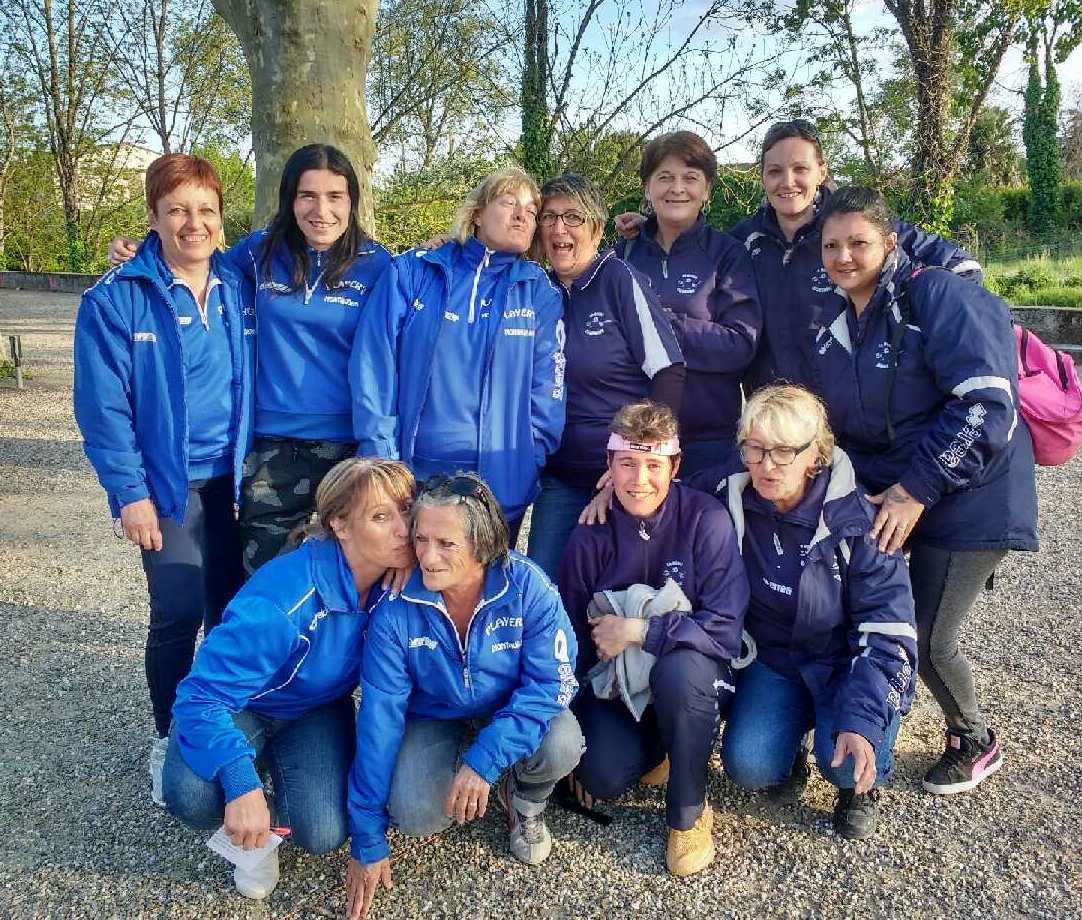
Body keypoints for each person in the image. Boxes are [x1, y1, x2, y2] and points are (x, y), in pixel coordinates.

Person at [813, 186, 1038, 795]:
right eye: (831, 245)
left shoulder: (938, 295)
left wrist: (916, 489)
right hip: (901, 488)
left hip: (974, 493)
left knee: (930, 635)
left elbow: (988, 407)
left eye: (858, 242)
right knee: (876, 609)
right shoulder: (839, 318)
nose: (843, 256)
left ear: (890, 243)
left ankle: (973, 736)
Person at [111, 143, 393, 574]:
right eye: (307, 196)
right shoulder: (259, 252)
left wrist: (448, 242)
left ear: (352, 201)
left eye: (335, 197)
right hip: (271, 448)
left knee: (348, 580)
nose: (322, 210)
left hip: (349, 446)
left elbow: (391, 353)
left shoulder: (378, 265)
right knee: (265, 582)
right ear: (289, 199)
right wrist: (140, 253)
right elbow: (193, 256)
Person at [75, 153, 251, 808]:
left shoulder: (238, 285)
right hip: (169, 492)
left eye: (205, 209)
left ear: (221, 220)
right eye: (177, 209)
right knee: (178, 612)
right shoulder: (116, 298)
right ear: (153, 217)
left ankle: (225, 725)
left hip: (235, 485)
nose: (193, 223)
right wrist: (131, 495)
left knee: (232, 616)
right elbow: (103, 409)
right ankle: (167, 733)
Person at [163, 458, 415, 900]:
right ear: (340, 524)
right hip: (241, 703)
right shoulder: (283, 600)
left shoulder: (395, 583)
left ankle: (270, 799)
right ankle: (249, 821)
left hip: (315, 707)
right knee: (192, 795)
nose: (402, 529)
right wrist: (241, 786)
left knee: (322, 832)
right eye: (381, 517)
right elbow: (198, 695)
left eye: (406, 511)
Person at [683, 385, 917, 839]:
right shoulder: (729, 494)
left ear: (816, 453)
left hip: (843, 664)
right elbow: (661, 495)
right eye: (755, 448)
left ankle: (862, 785)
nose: (766, 466)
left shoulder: (860, 524)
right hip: (775, 661)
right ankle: (789, 752)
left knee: (849, 761)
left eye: (784, 452)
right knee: (748, 767)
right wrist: (615, 485)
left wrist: (863, 722)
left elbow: (889, 633)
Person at [346, 472, 582, 920]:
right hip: (434, 714)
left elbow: (553, 683)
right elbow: (379, 718)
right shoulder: (395, 607)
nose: (427, 557)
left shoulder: (528, 586)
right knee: (415, 816)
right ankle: (461, 770)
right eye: (420, 540)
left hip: (508, 705)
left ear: (485, 541)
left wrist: (484, 761)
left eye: (446, 544)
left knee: (562, 742)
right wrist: (367, 836)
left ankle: (524, 797)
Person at [557, 401, 748, 877]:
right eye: (626, 464)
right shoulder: (590, 534)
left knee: (681, 671)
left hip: (691, 673)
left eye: (653, 465)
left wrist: (641, 629)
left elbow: (724, 628)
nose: (639, 479)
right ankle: (663, 745)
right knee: (601, 776)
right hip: (617, 685)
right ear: (609, 465)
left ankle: (688, 812)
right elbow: (570, 639)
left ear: (675, 467)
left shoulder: (706, 520)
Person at [350, 167, 566, 541]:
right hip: (413, 479)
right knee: (413, 590)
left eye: (531, 211)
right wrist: (383, 460)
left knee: (482, 595)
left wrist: (528, 459)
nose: (521, 215)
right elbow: (374, 363)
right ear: (477, 213)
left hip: (497, 488)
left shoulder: (538, 292)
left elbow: (550, 386)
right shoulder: (416, 270)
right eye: (509, 202)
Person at [726, 119, 982, 392]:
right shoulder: (741, 242)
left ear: (821, 172)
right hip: (773, 417)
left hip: (850, 415)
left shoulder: (859, 226)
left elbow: (964, 269)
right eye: (775, 171)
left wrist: (912, 340)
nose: (788, 181)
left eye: (800, 169)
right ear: (762, 176)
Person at [525, 173, 685, 578]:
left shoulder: (618, 279)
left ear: (597, 229)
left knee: (618, 598)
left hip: (623, 474)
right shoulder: (535, 288)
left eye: (573, 217)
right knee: (546, 586)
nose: (559, 228)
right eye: (549, 217)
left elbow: (668, 371)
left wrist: (632, 464)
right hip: (559, 477)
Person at [610, 131, 761, 473]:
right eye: (664, 177)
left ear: (706, 189)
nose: (677, 188)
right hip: (635, 442)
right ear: (647, 188)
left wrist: (657, 323)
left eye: (690, 178)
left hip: (709, 442)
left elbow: (739, 344)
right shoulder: (622, 256)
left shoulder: (728, 255)